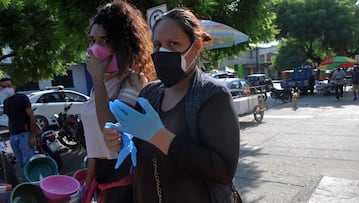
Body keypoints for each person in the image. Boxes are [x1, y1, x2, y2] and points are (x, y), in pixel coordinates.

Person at [103, 8, 241, 203]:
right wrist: (120, 138)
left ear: (196, 45)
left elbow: (223, 170)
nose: (163, 52)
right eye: (158, 45)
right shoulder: (149, 93)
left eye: (173, 44)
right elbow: (139, 151)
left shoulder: (213, 95)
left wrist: (161, 137)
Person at [80, 1, 155, 202]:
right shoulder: (100, 86)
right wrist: (87, 187)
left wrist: (96, 77)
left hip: (124, 183)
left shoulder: (133, 81)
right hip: (102, 180)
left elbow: (112, 134)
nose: (95, 48)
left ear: (122, 43)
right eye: (93, 40)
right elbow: (94, 146)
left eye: (104, 40)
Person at [0, 78, 36, 174]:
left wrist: (32, 136)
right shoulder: (6, 102)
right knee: (20, 163)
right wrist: (10, 135)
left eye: (8, 86)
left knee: (29, 162)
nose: (6, 88)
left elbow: (31, 116)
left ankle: (36, 184)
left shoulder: (22, 98)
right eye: (3, 87)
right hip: (13, 136)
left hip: (25, 134)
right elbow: (10, 119)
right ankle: (29, 183)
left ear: (14, 87)